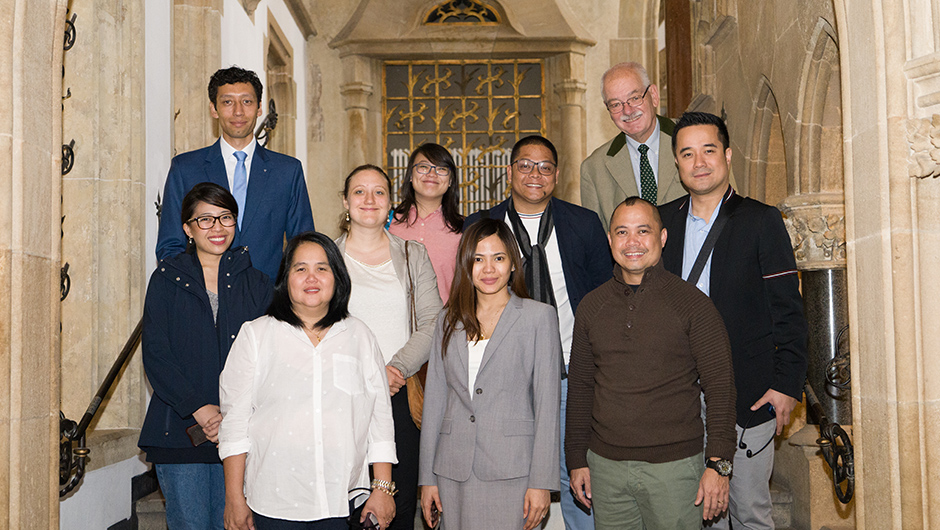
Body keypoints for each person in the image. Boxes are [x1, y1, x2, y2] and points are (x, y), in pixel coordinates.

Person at [659, 111, 809, 530]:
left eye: (709, 150)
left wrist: (787, 385)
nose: (699, 162)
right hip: (682, 398)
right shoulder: (662, 222)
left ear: (726, 155)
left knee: (748, 512)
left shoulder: (761, 220)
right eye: (687, 153)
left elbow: (789, 312)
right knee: (695, 513)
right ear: (677, 164)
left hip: (749, 394)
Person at [464, 135, 610, 529]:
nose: (535, 174)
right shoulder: (480, 225)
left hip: (569, 373)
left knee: (576, 476)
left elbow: (604, 298)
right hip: (502, 380)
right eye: (525, 165)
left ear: (557, 175)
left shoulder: (583, 223)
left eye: (545, 166)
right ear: (510, 171)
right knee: (507, 477)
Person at [565, 197, 737, 530]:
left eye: (643, 231)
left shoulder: (693, 305)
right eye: (622, 232)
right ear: (610, 240)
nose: (632, 242)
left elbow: (720, 387)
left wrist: (719, 466)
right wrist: (576, 459)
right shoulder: (591, 307)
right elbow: (582, 387)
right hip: (606, 469)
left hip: (674, 470)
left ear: (662, 237)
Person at [218, 232, 397, 530]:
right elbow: (235, 423)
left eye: (322, 268)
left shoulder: (359, 336)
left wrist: (383, 488)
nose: (311, 277)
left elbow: (379, 418)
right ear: (285, 279)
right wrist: (234, 497)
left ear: (337, 278)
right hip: (272, 499)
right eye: (300, 269)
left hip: (341, 499)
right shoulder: (256, 335)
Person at [139, 182, 272, 530]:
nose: (217, 228)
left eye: (225, 217)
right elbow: (156, 353)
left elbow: (269, 357)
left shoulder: (258, 283)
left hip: (244, 433)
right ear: (187, 228)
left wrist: (233, 413)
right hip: (182, 430)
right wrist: (199, 407)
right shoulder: (166, 279)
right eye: (205, 220)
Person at [419, 218, 561, 530]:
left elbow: (548, 405)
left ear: (513, 264)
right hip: (452, 471)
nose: (488, 269)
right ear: (466, 265)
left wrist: (542, 483)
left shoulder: (538, 318)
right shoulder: (447, 320)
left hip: (514, 471)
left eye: (498, 258)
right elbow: (435, 403)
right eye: (478, 259)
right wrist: (427, 478)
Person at [336, 165, 443, 530]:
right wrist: (363, 375)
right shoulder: (324, 259)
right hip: (340, 395)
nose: (369, 200)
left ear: (391, 202)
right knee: (343, 505)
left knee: (395, 507)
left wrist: (395, 369)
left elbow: (432, 321)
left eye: (379, 192)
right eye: (359, 192)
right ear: (345, 201)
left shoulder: (413, 255)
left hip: (400, 392)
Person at [156, 66, 315, 280]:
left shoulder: (287, 171)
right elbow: (170, 245)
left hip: (267, 300)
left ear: (259, 108)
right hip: (202, 300)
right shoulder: (185, 168)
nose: (238, 111)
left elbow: (303, 246)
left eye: (247, 102)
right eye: (228, 102)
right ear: (214, 109)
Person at [580, 62, 685, 230]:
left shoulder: (691, 138)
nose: (627, 111)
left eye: (635, 98)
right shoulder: (594, 169)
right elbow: (595, 243)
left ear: (653, 95)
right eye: (615, 104)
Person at [389, 143, 464, 303]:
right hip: (394, 321)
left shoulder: (463, 228)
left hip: (445, 323)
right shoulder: (388, 223)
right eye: (423, 167)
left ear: (450, 181)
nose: (432, 174)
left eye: (441, 169)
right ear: (410, 175)